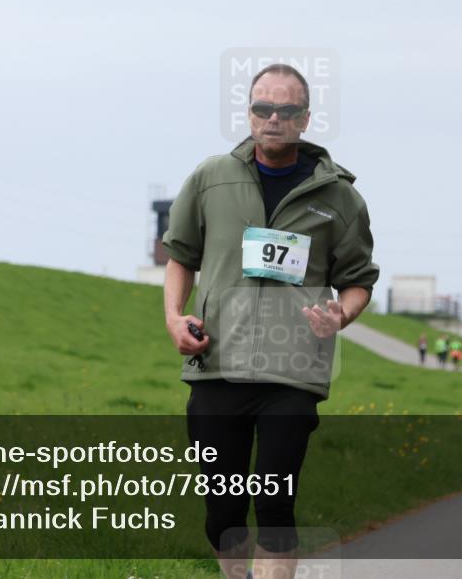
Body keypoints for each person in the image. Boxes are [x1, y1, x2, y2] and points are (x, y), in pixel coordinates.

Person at [162, 63, 378, 579]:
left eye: (285, 110)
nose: (272, 118)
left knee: (275, 504)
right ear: (249, 112)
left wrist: (342, 315)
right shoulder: (211, 178)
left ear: (305, 118)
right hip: (217, 365)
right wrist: (174, 318)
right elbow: (180, 257)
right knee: (224, 513)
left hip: (292, 373)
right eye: (263, 107)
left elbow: (359, 279)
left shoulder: (339, 198)